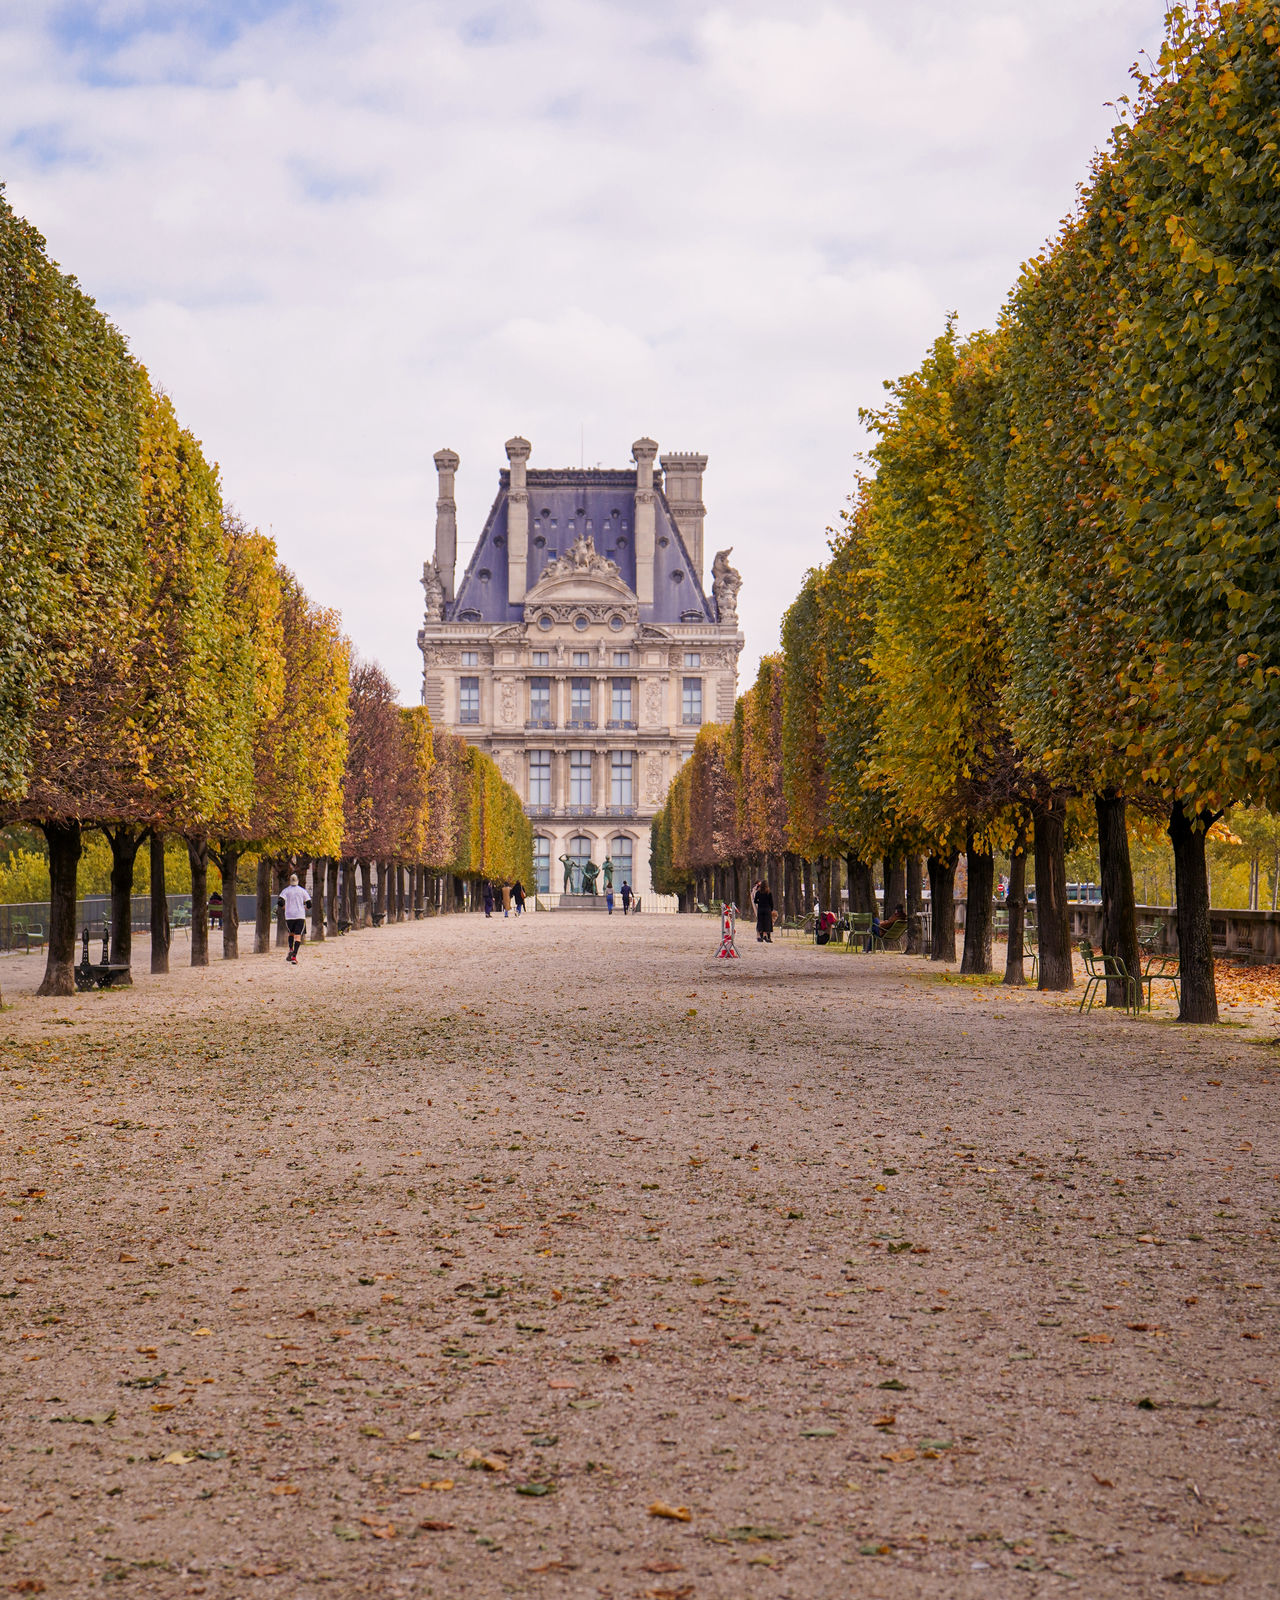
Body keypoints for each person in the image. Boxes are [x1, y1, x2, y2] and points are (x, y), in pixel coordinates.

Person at [277, 873, 311, 965]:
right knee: (298, 936)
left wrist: (284, 906)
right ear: (298, 881)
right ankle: (294, 956)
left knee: (291, 933)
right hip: (300, 915)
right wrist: (305, 907)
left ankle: (290, 948)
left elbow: (280, 901)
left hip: (289, 915)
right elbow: (309, 904)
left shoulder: (286, 891)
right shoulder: (302, 891)